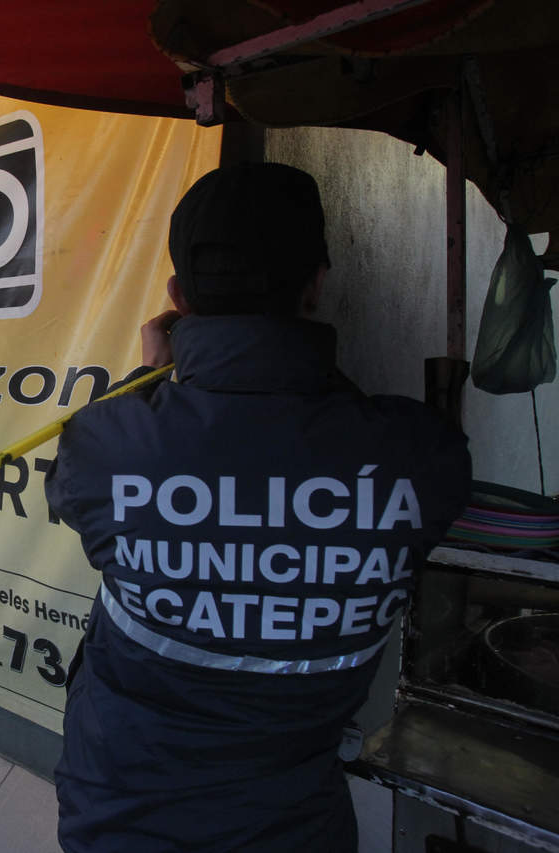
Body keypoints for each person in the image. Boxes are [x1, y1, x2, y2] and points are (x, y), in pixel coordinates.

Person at [44, 163, 472, 853]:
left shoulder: (106, 444)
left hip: (119, 825)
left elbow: (73, 486)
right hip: (298, 831)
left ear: (178, 297)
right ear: (316, 285)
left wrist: (151, 375)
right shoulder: (420, 456)